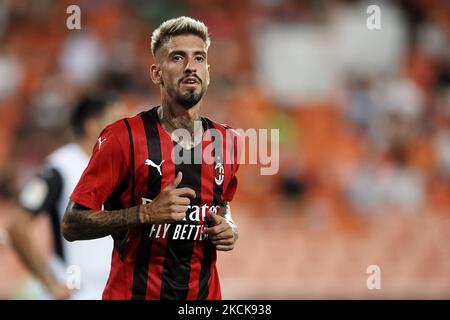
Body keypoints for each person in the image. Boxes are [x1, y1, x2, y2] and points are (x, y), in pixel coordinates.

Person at [62, 16, 241, 300]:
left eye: (199, 58)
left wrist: (228, 226)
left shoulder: (228, 141)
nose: (190, 66)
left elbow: (223, 204)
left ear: (208, 70)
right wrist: (144, 214)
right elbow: (72, 223)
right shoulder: (122, 138)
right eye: (178, 57)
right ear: (157, 73)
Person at [9, 93, 125, 299]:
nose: (125, 131)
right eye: (116, 121)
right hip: (76, 289)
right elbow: (18, 227)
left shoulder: (120, 167)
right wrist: (49, 282)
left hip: (112, 289)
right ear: (92, 125)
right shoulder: (60, 167)